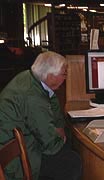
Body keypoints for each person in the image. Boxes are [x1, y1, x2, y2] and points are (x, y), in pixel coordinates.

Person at [0, 51, 82, 180]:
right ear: (50, 76)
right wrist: (62, 138)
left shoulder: (31, 78)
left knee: (68, 143)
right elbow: (51, 145)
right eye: (63, 74)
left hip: (22, 140)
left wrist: (59, 127)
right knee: (72, 162)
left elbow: (53, 100)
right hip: (17, 161)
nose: (65, 78)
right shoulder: (32, 97)